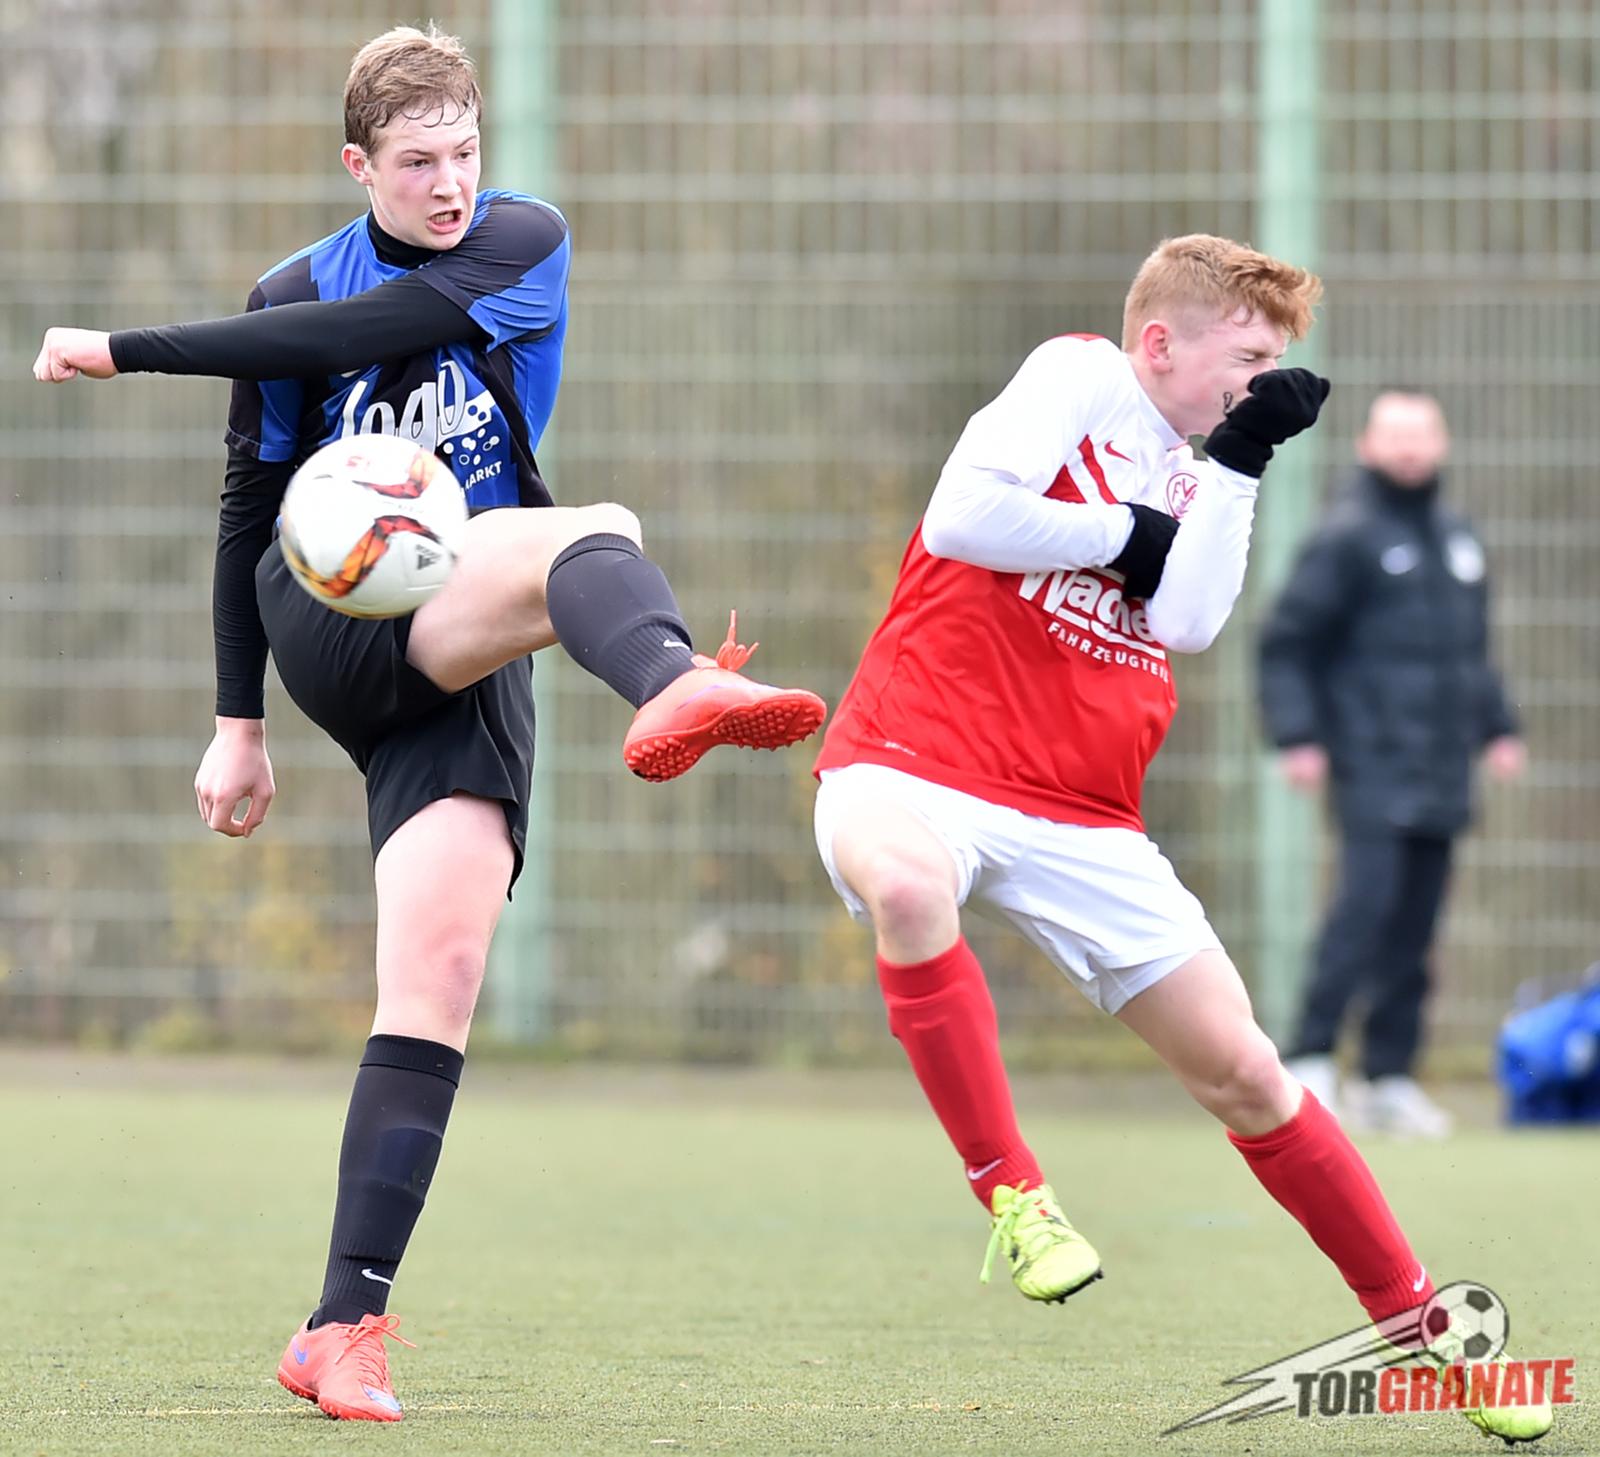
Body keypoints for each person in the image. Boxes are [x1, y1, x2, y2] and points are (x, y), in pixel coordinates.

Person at [33, 24, 825, 1423]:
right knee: (599, 523)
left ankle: (340, 1326)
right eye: (416, 163)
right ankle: (673, 680)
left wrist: (130, 347)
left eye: (463, 151)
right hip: (328, 616)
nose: (451, 183)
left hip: (466, 638)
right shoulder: (293, 290)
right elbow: (248, 504)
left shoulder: (523, 240)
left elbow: (376, 332)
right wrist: (237, 724)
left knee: (437, 980)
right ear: (359, 166)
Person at [809, 237, 1548, 1444]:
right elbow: (963, 516)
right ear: (1161, 342)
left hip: (1084, 812)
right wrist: (1121, 531)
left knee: (1248, 1074)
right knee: (904, 887)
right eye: (1246, 358)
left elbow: (1190, 618)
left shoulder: (1199, 466)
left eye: (1273, 365)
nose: (1259, 381)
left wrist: (1237, 462)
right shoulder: (1080, 375)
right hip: (914, 759)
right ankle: (1015, 1195)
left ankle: (1426, 1331)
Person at [1260, 390, 1525, 1138]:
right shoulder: (1346, 536)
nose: (1409, 447)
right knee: (1363, 909)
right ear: (1368, 445)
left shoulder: (1457, 537)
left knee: (1418, 924)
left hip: (1444, 764)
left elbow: (1471, 651)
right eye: (1395, 434)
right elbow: (1286, 642)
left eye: (1421, 433)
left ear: (1441, 442)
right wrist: (1297, 734)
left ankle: (1388, 1076)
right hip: (1371, 758)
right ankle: (1311, 1056)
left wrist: (1498, 726)